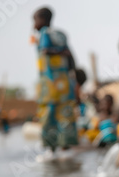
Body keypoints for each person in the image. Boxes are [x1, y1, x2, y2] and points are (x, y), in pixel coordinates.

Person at [33, 7, 78, 160]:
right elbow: (71, 59)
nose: (34, 25)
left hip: (49, 85)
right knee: (65, 114)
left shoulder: (44, 34)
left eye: (35, 20)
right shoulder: (60, 36)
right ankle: (66, 148)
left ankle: (51, 150)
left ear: (43, 20)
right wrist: (73, 80)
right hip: (64, 85)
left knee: (48, 116)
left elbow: (45, 51)